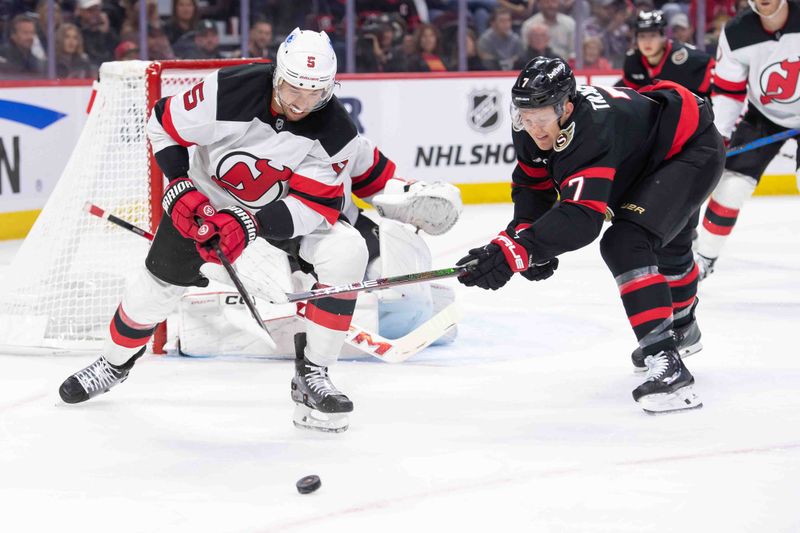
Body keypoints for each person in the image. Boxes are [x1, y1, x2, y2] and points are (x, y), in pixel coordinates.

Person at [58, 28, 461, 433]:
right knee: (152, 293)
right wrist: (179, 185)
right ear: (276, 74)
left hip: (279, 213)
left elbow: (313, 204)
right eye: (291, 89)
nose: (301, 103)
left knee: (346, 250)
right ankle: (113, 363)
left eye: (315, 94)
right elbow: (162, 123)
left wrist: (251, 223)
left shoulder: (336, 131)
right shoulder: (228, 90)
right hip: (208, 204)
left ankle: (314, 374)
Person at [456, 57, 724, 414]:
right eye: (525, 117)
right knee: (670, 252)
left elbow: (583, 217)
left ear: (565, 107)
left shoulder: (591, 126)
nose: (534, 128)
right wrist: (522, 239)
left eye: (541, 118)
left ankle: (669, 365)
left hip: (690, 150)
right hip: (645, 159)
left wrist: (520, 250)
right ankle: (683, 328)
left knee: (627, 242)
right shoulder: (531, 127)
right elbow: (533, 189)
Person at [694, 0, 800, 280]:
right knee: (730, 186)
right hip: (763, 118)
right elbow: (729, 92)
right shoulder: (737, 32)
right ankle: (704, 257)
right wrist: (720, 136)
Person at [621, 11, 715, 99]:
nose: (647, 42)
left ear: (664, 37)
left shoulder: (687, 58)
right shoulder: (632, 60)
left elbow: (715, 83)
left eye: (653, 35)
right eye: (642, 36)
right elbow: (629, 95)